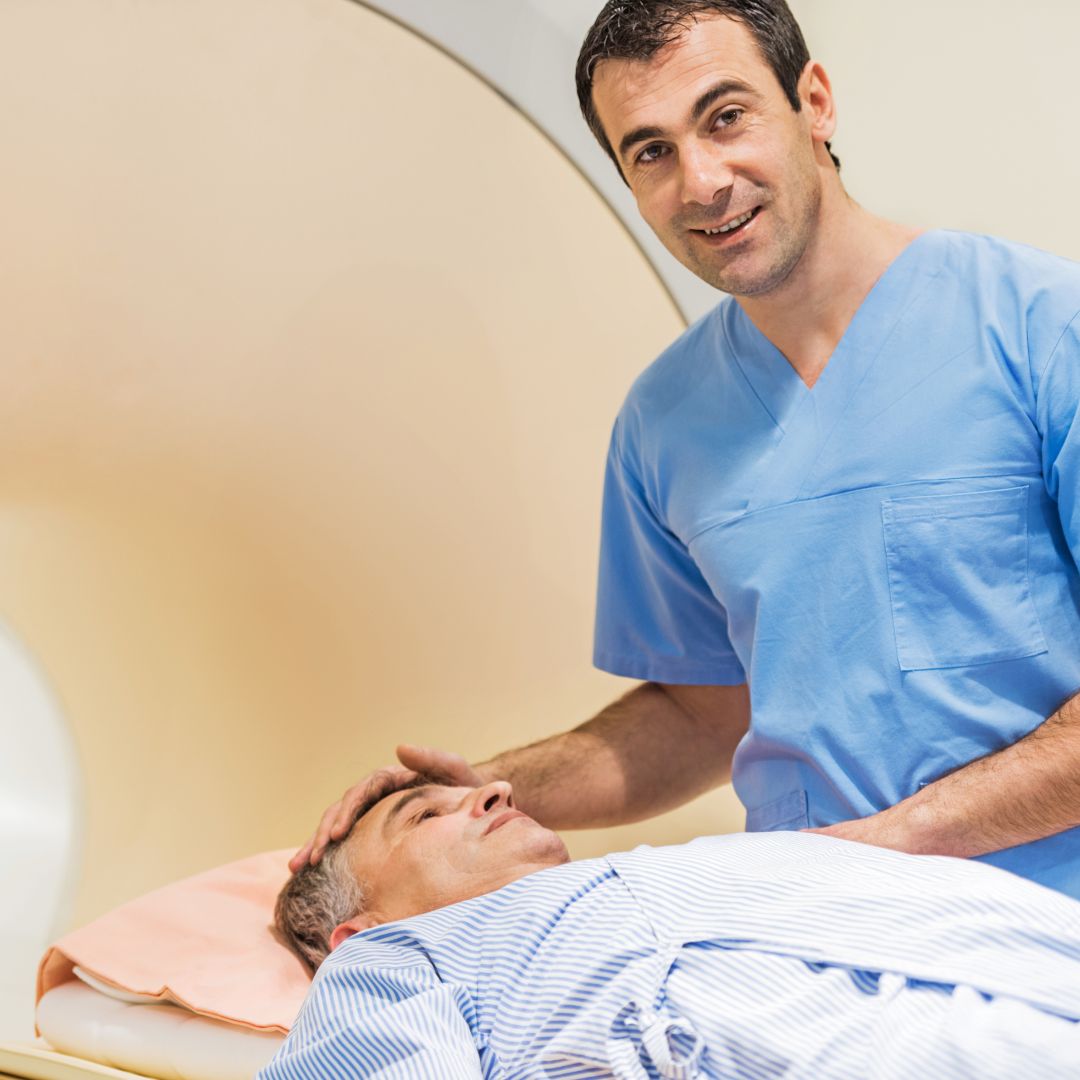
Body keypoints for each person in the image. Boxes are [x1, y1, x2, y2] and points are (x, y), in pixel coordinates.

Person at [292, 0, 1080, 898]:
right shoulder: (664, 422)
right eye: (652, 151)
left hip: (1042, 926)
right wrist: (480, 790)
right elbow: (706, 713)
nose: (701, 181)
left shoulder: (1040, 329)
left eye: (726, 117)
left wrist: (891, 845)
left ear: (814, 103)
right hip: (807, 937)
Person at [265, 779, 1080, 1078]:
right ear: (356, 930)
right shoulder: (396, 958)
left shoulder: (723, 861)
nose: (496, 788)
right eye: (423, 815)